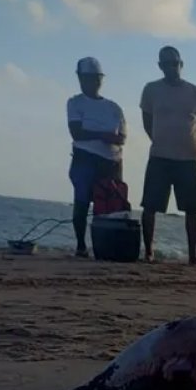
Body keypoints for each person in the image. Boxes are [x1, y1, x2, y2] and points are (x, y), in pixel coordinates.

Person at [139, 46, 196, 264]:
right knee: (150, 205)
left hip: (188, 156)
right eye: (167, 63)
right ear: (160, 66)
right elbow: (147, 122)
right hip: (160, 155)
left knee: (191, 209)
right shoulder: (151, 90)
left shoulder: (195, 92)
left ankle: (192, 256)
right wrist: (161, 138)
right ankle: (149, 252)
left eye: (175, 63)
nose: (172, 67)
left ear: (181, 64)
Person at [66, 56, 125, 257]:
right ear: (80, 78)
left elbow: (122, 136)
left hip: (111, 161)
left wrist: (112, 139)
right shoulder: (75, 103)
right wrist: (102, 135)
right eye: (87, 78)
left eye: (95, 78)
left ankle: (105, 246)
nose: (91, 82)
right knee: (82, 202)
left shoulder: (114, 108)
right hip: (85, 158)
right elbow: (76, 132)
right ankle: (81, 245)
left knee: (109, 205)